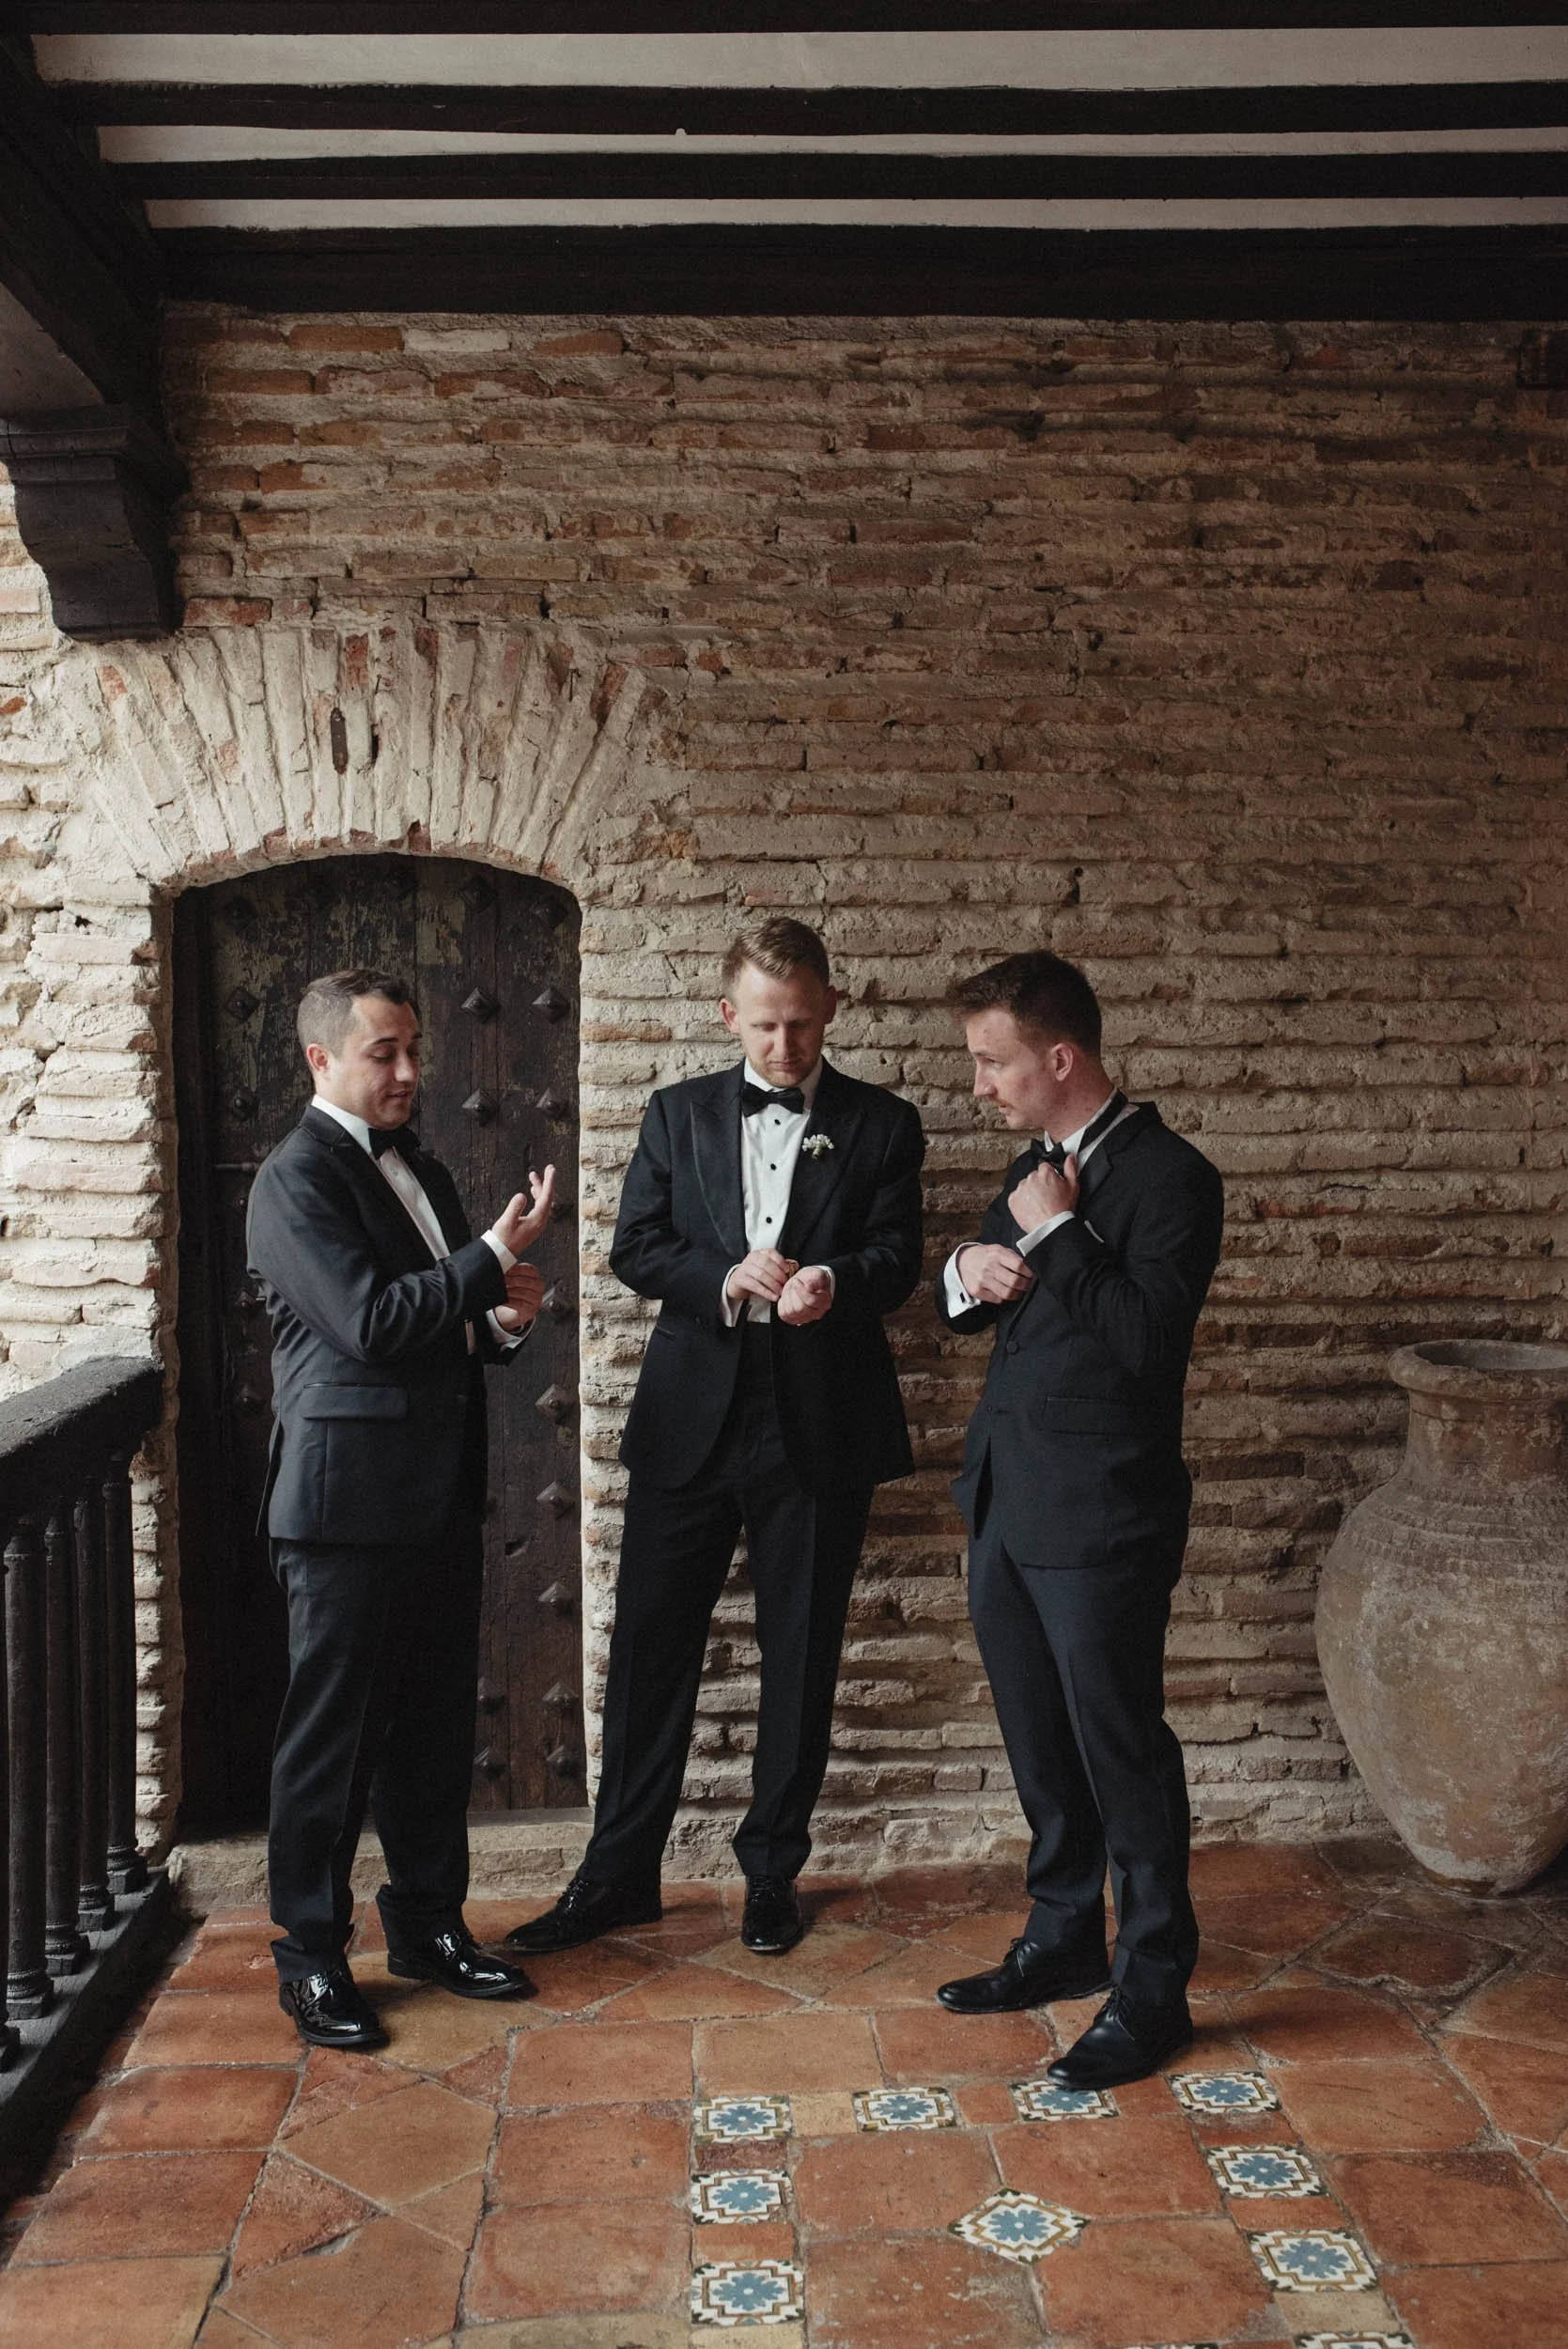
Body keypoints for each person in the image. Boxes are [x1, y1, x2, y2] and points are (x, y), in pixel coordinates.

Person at [509, 915, 924, 1960]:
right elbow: (635, 1248)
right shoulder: (675, 1112)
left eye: (801, 1024)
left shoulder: (884, 1123)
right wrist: (724, 1278)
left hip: (821, 1426)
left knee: (801, 1654)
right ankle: (617, 1876)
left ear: (831, 1008)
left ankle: (771, 1872)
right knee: (649, 1651)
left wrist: (835, 1281)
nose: (783, 1045)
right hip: (690, 1420)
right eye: (765, 1025)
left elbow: (898, 1257)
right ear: (728, 1015)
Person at [247, 967, 554, 2050]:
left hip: (432, 1496)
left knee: (430, 1735)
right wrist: (492, 1256)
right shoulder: (292, 1179)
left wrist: (499, 1320)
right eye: (385, 1051)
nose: (411, 1070)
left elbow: (435, 1324)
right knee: (329, 1747)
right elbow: (371, 1323)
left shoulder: (416, 1165)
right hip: (341, 1510)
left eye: (414, 1048)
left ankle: (426, 1928)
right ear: (321, 1058)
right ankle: (310, 1959)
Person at [933, 950, 1223, 2089]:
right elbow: (973, 1302)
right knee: (1039, 1741)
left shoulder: (1174, 1178)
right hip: (1007, 1501)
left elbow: (1146, 1342)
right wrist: (968, 1261)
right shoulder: (1030, 1165)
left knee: (1120, 1749)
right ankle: (1062, 1937)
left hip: (1105, 1516)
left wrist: (1058, 1235)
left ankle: (1152, 1988)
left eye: (992, 1061)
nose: (980, 1083)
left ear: (1058, 1057)